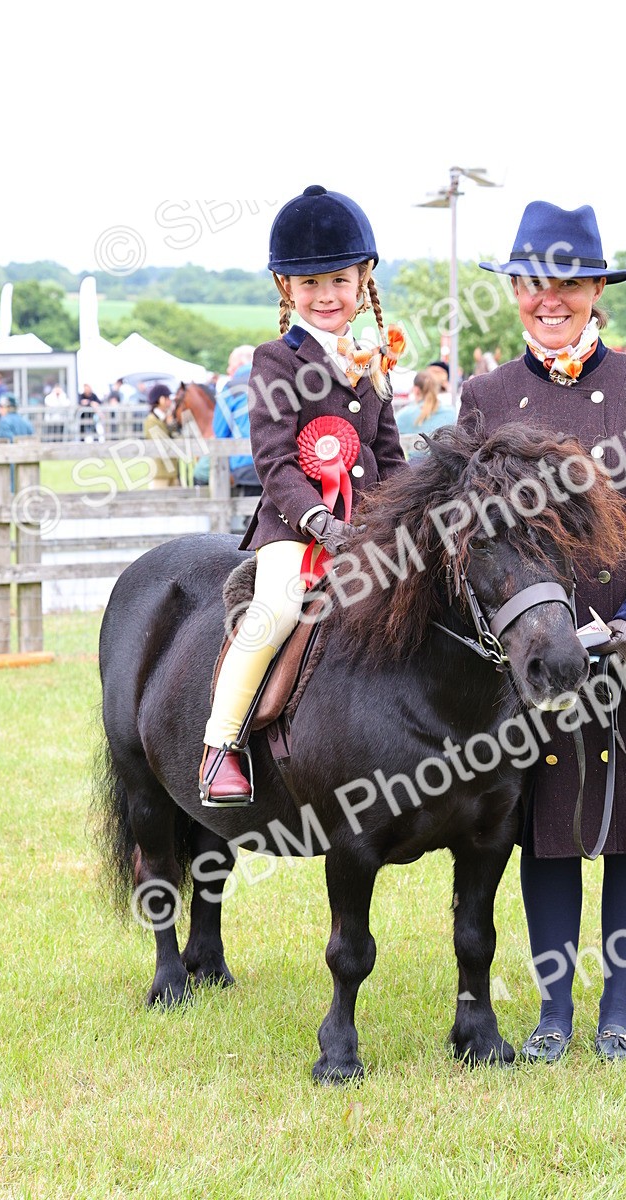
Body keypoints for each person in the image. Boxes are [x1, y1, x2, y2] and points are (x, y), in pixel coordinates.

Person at [460, 200, 626, 1062]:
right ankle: (554, 1010)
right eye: (533, 283)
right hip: (535, 659)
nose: (550, 299)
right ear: (515, 292)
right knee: (548, 829)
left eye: (568, 284)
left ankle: (620, 1008)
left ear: (597, 289)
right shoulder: (485, 398)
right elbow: (470, 530)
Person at [199, 184, 406, 804]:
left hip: (370, 528)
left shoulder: (372, 361)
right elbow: (273, 459)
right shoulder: (275, 360)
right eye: (310, 283)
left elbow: (390, 457)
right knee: (278, 609)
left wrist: (410, 517)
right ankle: (221, 745)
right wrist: (319, 521)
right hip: (297, 532)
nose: (326, 295)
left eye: (339, 280)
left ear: (363, 280)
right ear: (285, 287)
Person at [210, 344, 263, 492]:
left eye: (230, 365)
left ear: (240, 363)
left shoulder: (231, 388)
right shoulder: (275, 380)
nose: (228, 370)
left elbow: (220, 431)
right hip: (281, 464)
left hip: (246, 466)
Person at [394, 369, 456, 459]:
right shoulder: (451, 412)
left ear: (416, 390)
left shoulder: (405, 415)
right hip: (445, 466)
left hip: (416, 466)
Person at [142, 383, 181, 488]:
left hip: (172, 471)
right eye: (167, 398)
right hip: (160, 473)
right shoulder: (151, 420)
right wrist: (170, 425)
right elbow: (164, 444)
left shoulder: (165, 418)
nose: (170, 401)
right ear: (161, 399)